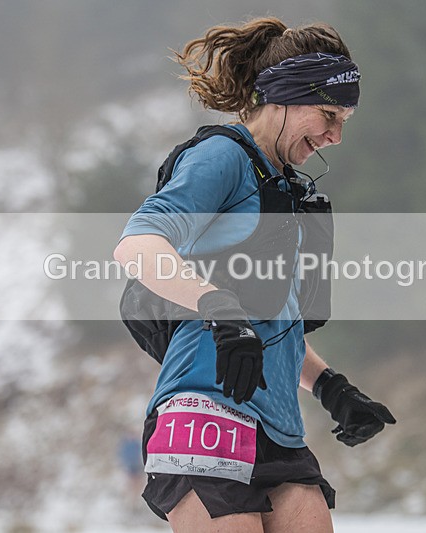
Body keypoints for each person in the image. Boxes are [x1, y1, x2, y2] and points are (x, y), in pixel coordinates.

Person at [113, 16, 395, 533]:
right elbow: (137, 245)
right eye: (329, 114)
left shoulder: (284, 186)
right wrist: (215, 305)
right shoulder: (221, 157)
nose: (335, 136)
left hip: (279, 427)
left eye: (345, 121)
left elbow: (273, 316)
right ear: (284, 96)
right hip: (203, 410)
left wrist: (331, 387)